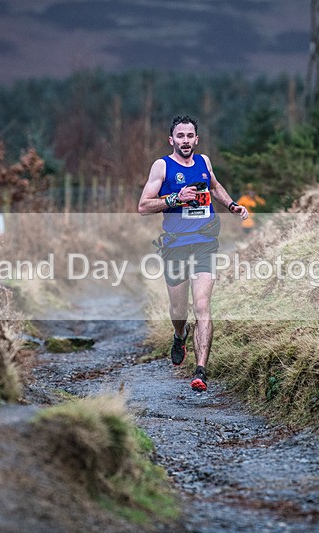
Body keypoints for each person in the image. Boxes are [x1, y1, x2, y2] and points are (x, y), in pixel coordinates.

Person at [138, 115, 248, 392]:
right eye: (180, 136)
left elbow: (214, 186)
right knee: (179, 311)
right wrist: (176, 198)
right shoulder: (162, 166)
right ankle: (179, 335)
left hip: (205, 243)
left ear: (196, 139)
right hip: (175, 245)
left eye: (190, 136)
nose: (185, 141)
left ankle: (200, 371)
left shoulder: (204, 162)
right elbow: (143, 206)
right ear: (171, 140)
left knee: (202, 306)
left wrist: (232, 205)